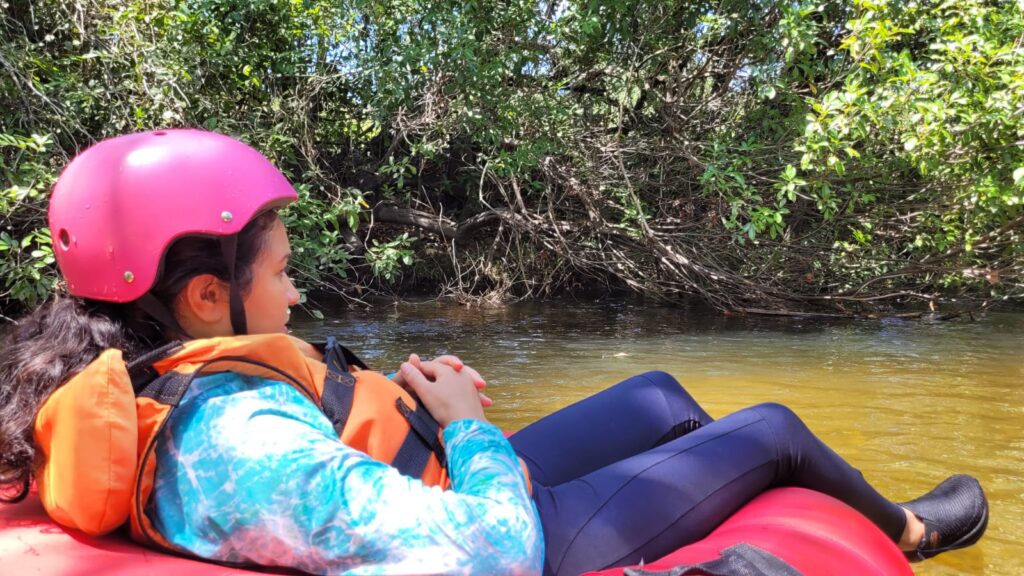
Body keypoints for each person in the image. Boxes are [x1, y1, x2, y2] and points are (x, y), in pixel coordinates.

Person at [0, 130, 988, 576]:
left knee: (657, 394)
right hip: (523, 538)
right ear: (206, 296)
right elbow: (497, 554)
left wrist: (414, 406)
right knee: (770, 427)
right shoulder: (238, 436)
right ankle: (906, 532)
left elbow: (336, 460)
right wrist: (468, 430)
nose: (295, 294)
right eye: (282, 272)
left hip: (430, 481)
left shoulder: (154, 376)